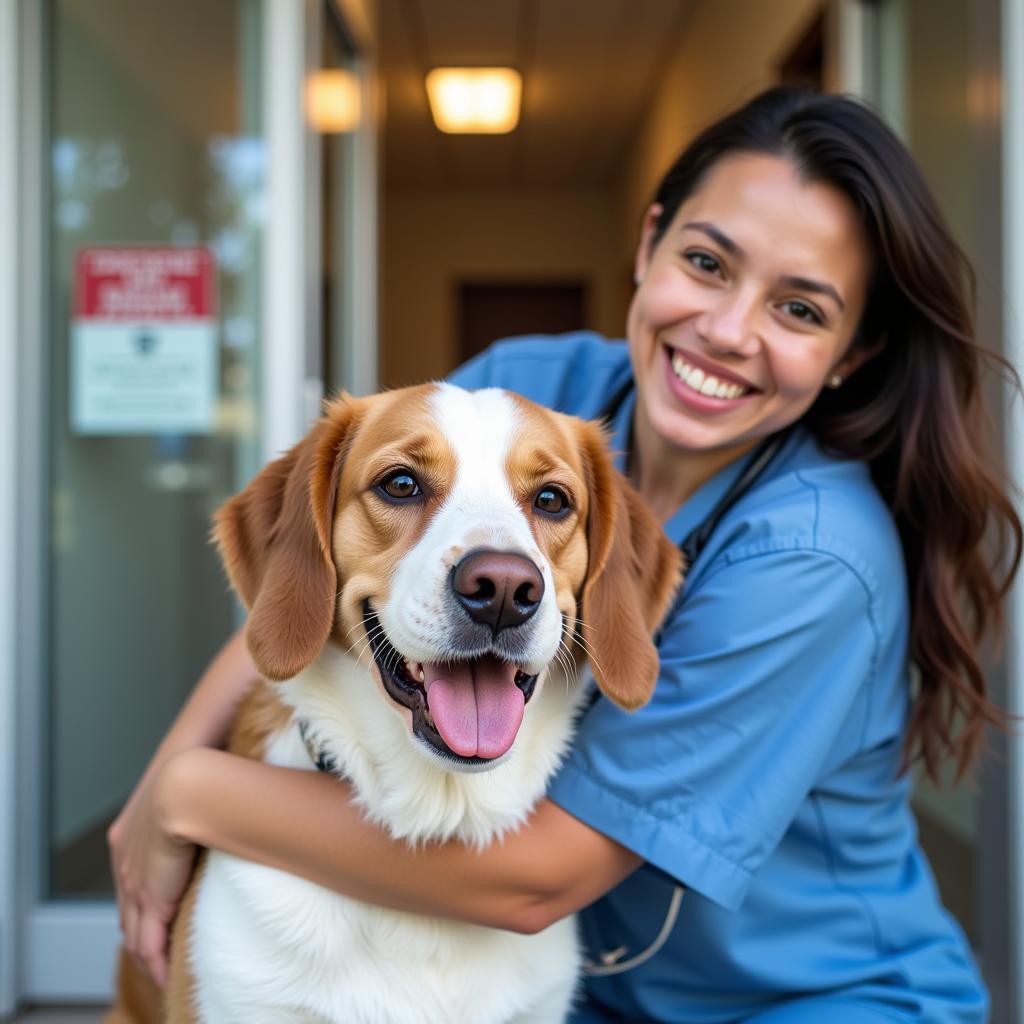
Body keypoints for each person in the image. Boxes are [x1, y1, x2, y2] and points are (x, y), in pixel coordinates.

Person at [109, 87, 1022, 1022]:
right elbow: (306, 585)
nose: (728, 329)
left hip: (803, 999)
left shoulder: (820, 558)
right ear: (649, 243)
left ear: (848, 354)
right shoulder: (538, 388)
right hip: (606, 991)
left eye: (798, 309)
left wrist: (195, 792)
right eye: (707, 263)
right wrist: (158, 790)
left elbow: (534, 884)